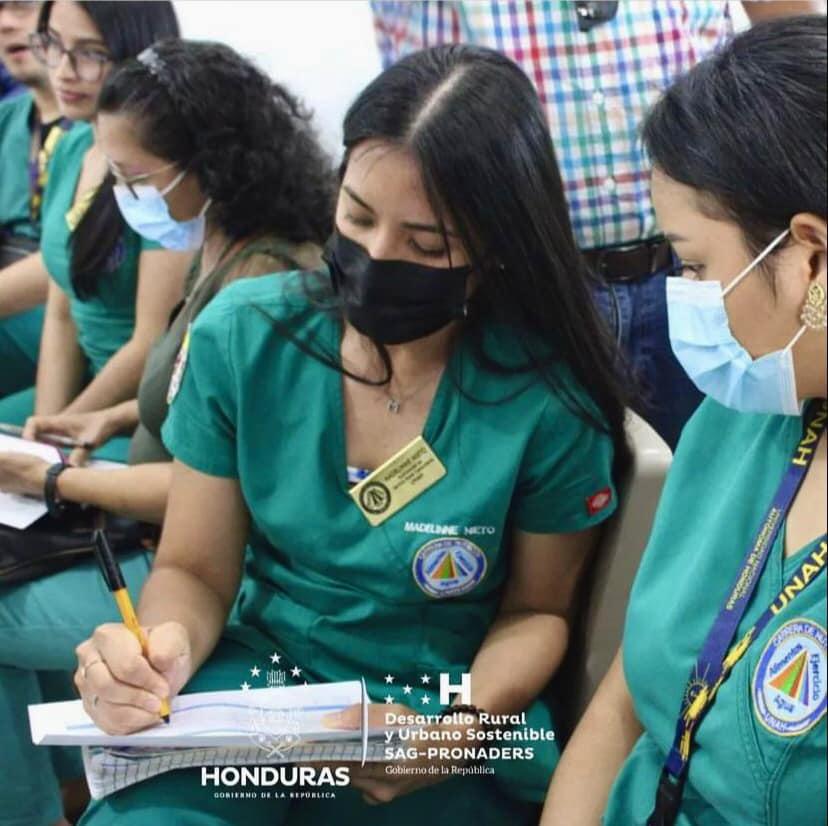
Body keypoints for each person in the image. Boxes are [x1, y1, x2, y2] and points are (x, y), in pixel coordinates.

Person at [73, 44, 629, 825]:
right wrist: (157, 653)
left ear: (497, 247)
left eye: (426, 245)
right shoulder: (247, 338)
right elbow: (195, 570)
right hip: (259, 693)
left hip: (434, 710)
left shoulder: (541, 400)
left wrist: (458, 733)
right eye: (357, 218)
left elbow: (537, 614)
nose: (375, 259)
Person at [0, 38, 334, 826]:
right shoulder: (215, 248)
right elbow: (184, 394)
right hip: (143, 516)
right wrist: (101, 418)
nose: (122, 197)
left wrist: (50, 478)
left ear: (211, 167)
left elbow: (217, 490)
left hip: (197, 562)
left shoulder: (265, 290)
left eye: (136, 179)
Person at [542, 16, 826, 825]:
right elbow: (628, 700)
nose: (682, 292)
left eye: (694, 264)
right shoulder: (739, 421)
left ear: (811, 256)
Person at [370, 0, 822, 450]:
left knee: (744, 459)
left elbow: (790, 34)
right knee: (549, 475)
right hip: (528, 282)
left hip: (717, 271)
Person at [0, 0, 186, 463]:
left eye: (90, 54)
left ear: (137, 56)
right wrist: (44, 425)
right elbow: (63, 313)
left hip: (140, 408)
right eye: (54, 46)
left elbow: (150, 345)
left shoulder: (165, 169)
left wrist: (60, 433)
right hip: (85, 389)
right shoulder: (77, 146)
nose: (63, 70)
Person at [0, 0, 68, 399]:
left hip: (68, 328)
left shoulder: (117, 130)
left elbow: (67, 258)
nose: (6, 24)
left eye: (23, 7)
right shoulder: (8, 121)